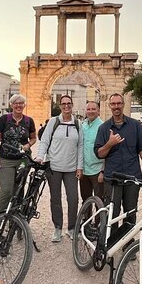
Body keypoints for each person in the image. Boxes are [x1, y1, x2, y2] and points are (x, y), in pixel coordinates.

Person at [94, 93, 142, 228]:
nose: (116, 106)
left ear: (123, 104)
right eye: (113, 104)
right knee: (112, 213)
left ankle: (128, 244)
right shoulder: (103, 129)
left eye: (119, 103)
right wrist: (109, 144)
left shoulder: (135, 126)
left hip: (132, 177)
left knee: (130, 212)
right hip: (112, 178)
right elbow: (99, 154)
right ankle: (112, 242)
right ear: (109, 106)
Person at [37, 95, 83, 243]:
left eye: (69, 103)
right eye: (63, 104)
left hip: (71, 168)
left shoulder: (78, 123)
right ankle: (57, 228)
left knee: (73, 198)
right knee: (55, 199)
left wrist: (79, 167)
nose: (66, 106)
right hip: (54, 167)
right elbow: (44, 140)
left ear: (72, 105)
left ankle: (71, 228)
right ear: (59, 106)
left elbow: (80, 146)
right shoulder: (53, 122)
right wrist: (40, 157)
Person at [0, 94, 37, 215]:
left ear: (24, 105)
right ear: (11, 105)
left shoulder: (28, 121)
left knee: (19, 190)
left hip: (23, 160)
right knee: (6, 190)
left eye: (21, 103)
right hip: (6, 159)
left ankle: (15, 221)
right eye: (16, 103)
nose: (18, 105)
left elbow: (33, 138)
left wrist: (28, 145)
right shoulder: (4, 119)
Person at [79, 101, 104, 202]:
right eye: (88, 109)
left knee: (99, 200)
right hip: (84, 170)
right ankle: (86, 218)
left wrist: (103, 171)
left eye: (93, 109)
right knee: (85, 199)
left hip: (97, 170)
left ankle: (100, 218)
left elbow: (108, 149)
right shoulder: (82, 125)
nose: (91, 111)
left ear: (98, 111)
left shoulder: (103, 126)